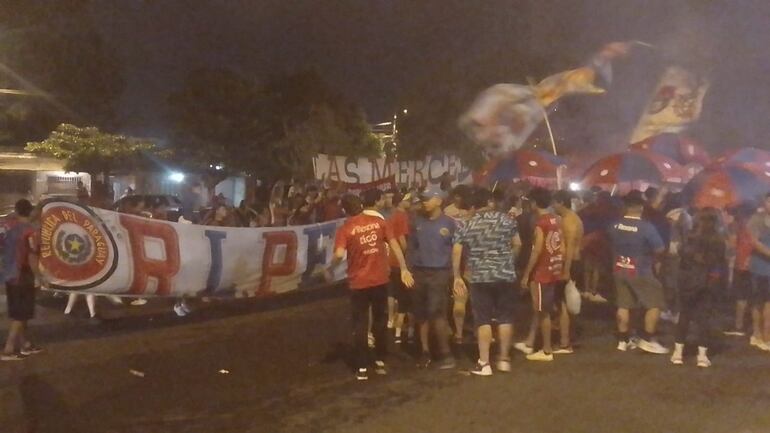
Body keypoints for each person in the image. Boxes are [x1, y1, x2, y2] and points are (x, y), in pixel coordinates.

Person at [326, 189, 414, 381]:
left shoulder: (346, 229)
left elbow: (339, 254)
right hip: (380, 279)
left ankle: (362, 366)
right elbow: (394, 245)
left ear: (345, 211)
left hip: (358, 282)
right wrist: (404, 267)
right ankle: (380, 359)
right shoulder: (379, 222)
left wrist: (330, 269)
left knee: (360, 323)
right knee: (380, 320)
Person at [453, 188, 520, 375]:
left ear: (474, 205)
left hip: (480, 277)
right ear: (490, 202)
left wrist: (457, 276)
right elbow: (518, 244)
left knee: (483, 319)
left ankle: (484, 363)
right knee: (505, 317)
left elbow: (457, 250)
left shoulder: (467, 224)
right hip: (505, 274)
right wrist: (507, 261)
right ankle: (504, 359)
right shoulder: (508, 220)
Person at [609, 190, 668, 354]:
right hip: (641, 269)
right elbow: (660, 248)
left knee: (623, 304)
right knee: (655, 303)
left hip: (619, 267)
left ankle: (623, 340)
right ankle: (648, 339)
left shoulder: (615, 225)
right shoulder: (646, 227)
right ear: (641, 207)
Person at [670, 208, 726, 367]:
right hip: (707, 283)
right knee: (704, 319)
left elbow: (681, 259)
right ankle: (702, 356)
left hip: (688, 283)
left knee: (684, 316)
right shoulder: (718, 241)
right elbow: (719, 265)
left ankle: (678, 353)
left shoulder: (689, 238)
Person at [409, 188, 457, 369]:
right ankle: (425, 352)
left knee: (437, 313)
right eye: (423, 199)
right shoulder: (416, 222)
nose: (424, 202)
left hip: (439, 273)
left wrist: (454, 274)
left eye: (427, 199)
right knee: (420, 315)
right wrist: (409, 269)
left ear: (438, 200)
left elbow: (457, 249)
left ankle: (446, 354)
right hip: (420, 273)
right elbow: (411, 247)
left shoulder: (449, 223)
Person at [518, 188, 564, 362]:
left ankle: (546, 350)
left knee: (542, 311)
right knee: (544, 309)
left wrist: (526, 274)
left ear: (534, 203)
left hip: (541, 273)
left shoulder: (541, 224)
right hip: (553, 269)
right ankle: (534, 343)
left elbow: (536, 250)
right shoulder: (556, 220)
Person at [2, 200, 43, 361]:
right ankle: (9, 349)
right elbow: (32, 257)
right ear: (31, 211)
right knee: (21, 314)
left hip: (9, 274)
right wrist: (39, 278)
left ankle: (25, 344)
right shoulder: (31, 232)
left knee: (19, 312)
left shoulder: (9, 227)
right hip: (23, 275)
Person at [552, 190, 584, 352]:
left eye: (554, 202)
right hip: (572, 263)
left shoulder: (570, 221)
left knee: (563, 303)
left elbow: (570, 247)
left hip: (570, 263)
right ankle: (569, 336)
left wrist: (566, 270)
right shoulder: (569, 218)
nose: (553, 206)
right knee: (566, 302)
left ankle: (565, 342)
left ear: (561, 203)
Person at [724, 203, 754, 337]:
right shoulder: (755, 225)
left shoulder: (736, 226)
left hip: (741, 265)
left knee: (741, 296)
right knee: (753, 296)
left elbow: (731, 245)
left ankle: (739, 325)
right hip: (755, 266)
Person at [386, 193, 411, 343]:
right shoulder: (402, 216)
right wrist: (407, 255)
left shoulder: (390, 215)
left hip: (390, 259)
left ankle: (390, 318)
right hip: (399, 258)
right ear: (401, 202)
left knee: (391, 292)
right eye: (407, 200)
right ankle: (399, 327)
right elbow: (402, 239)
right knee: (403, 295)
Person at [747, 193, 770, 352]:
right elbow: (754, 242)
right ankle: (760, 335)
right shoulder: (757, 220)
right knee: (758, 302)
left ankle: (763, 334)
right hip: (760, 268)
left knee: (766, 303)